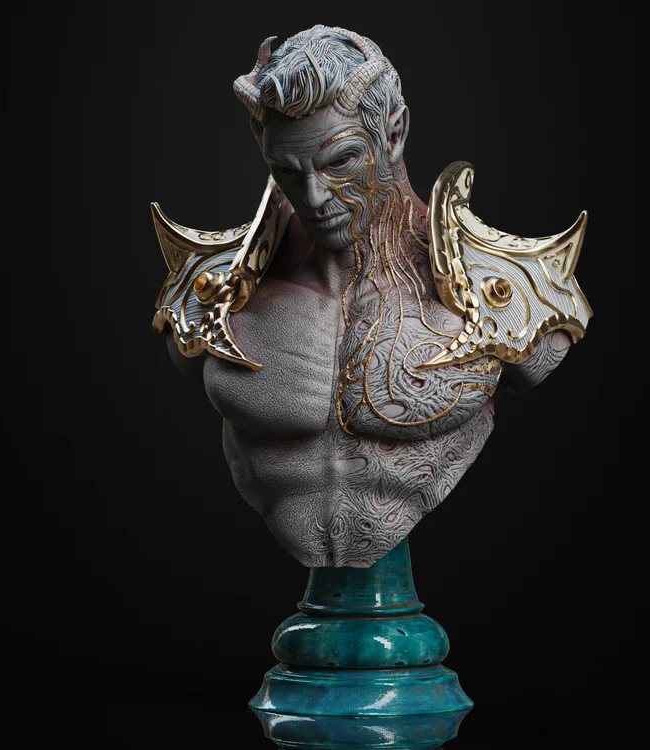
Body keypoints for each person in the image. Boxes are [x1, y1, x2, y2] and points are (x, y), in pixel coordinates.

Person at [152, 25, 590, 567]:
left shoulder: (502, 290)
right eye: (286, 169)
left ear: (395, 132)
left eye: (340, 162)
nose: (314, 197)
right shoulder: (215, 293)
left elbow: (540, 357)